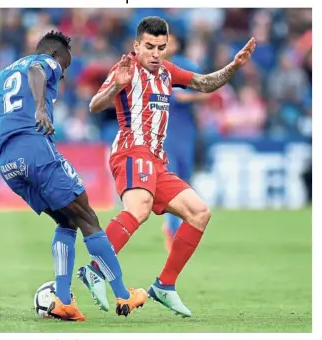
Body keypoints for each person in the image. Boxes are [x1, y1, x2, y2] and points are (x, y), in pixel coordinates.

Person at [0, 30, 147, 321]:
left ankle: (64, 301)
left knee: (66, 220)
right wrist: (41, 108)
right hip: (33, 146)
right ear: (55, 55)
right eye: (65, 66)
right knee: (88, 217)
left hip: (6, 161)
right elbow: (35, 69)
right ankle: (123, 294)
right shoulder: (46, 62)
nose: (63, 74)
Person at [77, 17, 255, 317]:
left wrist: (234, 66)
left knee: (199, 213)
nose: (156, 53)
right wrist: (114, 88)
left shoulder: (167, 72)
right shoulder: (127, 68)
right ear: (137, 45)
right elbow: (94, 105)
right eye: (149, 47)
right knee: (139, 209)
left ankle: (165, 286)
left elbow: (204, 83)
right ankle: (95, 270)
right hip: (132, 150)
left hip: (157, 160)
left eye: (161, 47)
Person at [161, 32, 208, 251]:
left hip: (185, 131)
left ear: (176, 44)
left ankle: (176, 226)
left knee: (185, 180)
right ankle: (172, 230)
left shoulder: (185, 66)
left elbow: (206, 90)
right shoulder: (152, 66)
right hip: (163, 132)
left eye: (169, 41)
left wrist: (186, 97)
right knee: (172, 180)